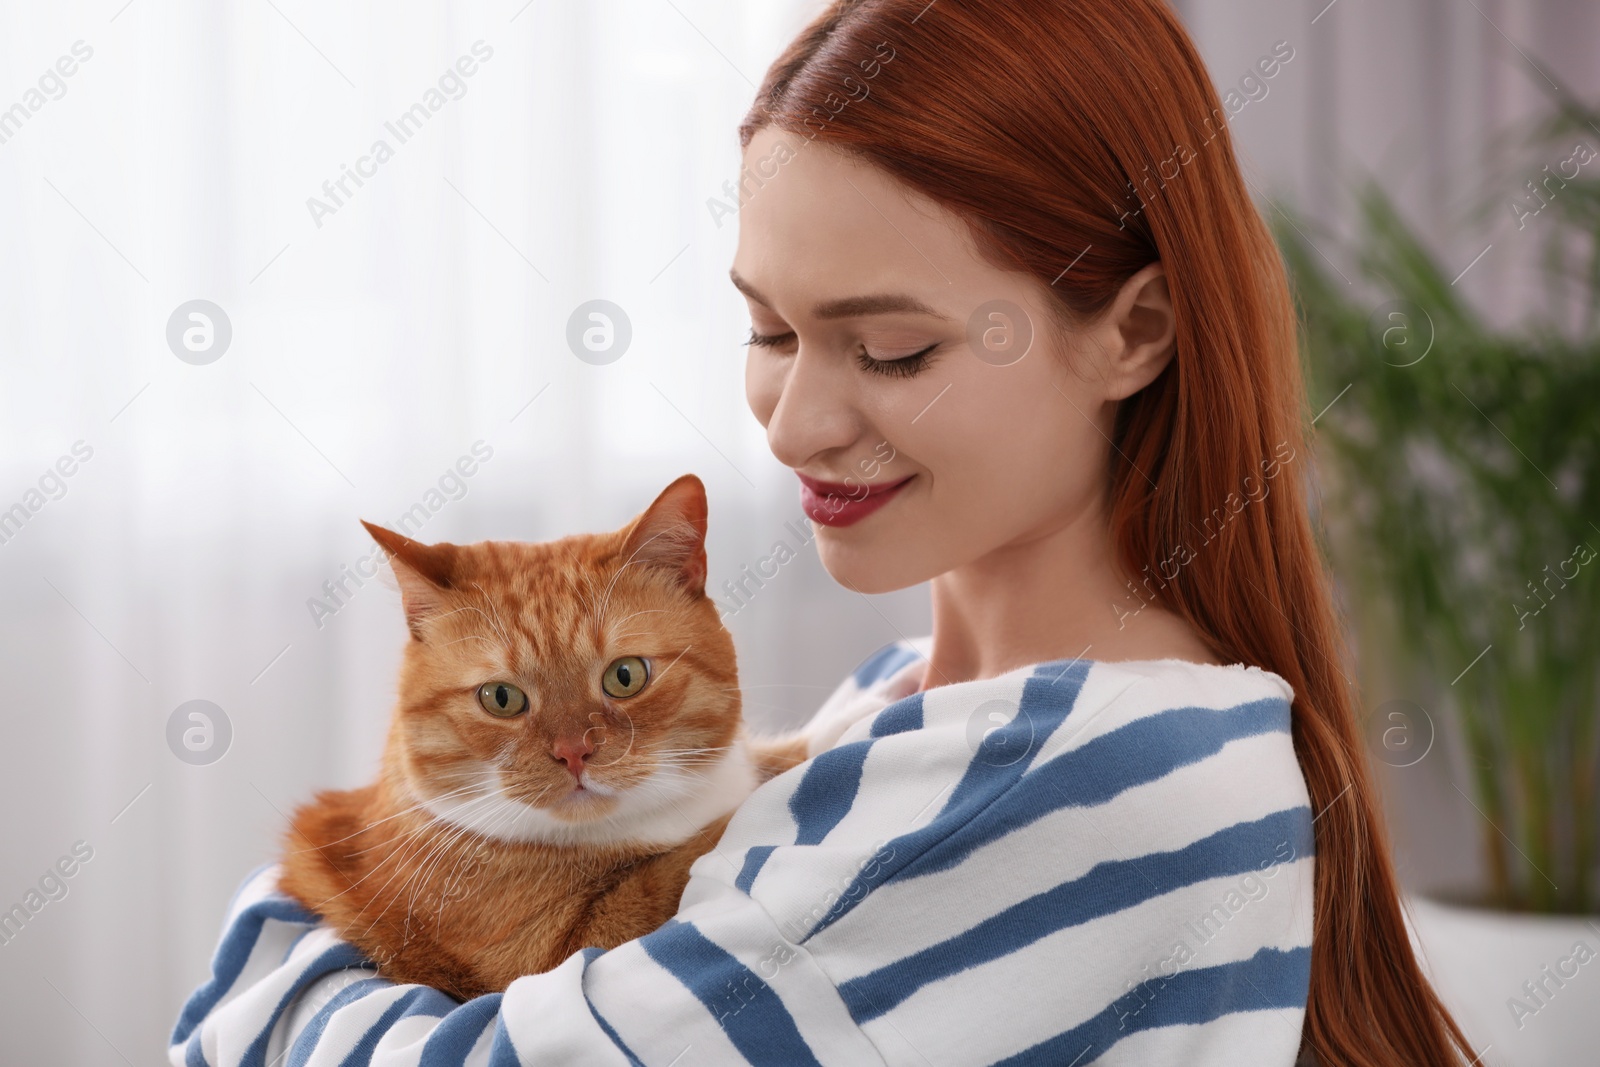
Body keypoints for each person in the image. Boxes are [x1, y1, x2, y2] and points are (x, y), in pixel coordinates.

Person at [170, 1, 1475, 1063]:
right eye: (770, 331)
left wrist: (276, 940)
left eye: (893, 351)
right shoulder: (896, 708)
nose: (791, 425)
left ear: (1132, 333)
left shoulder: (1059, 787)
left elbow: (284, 1029)